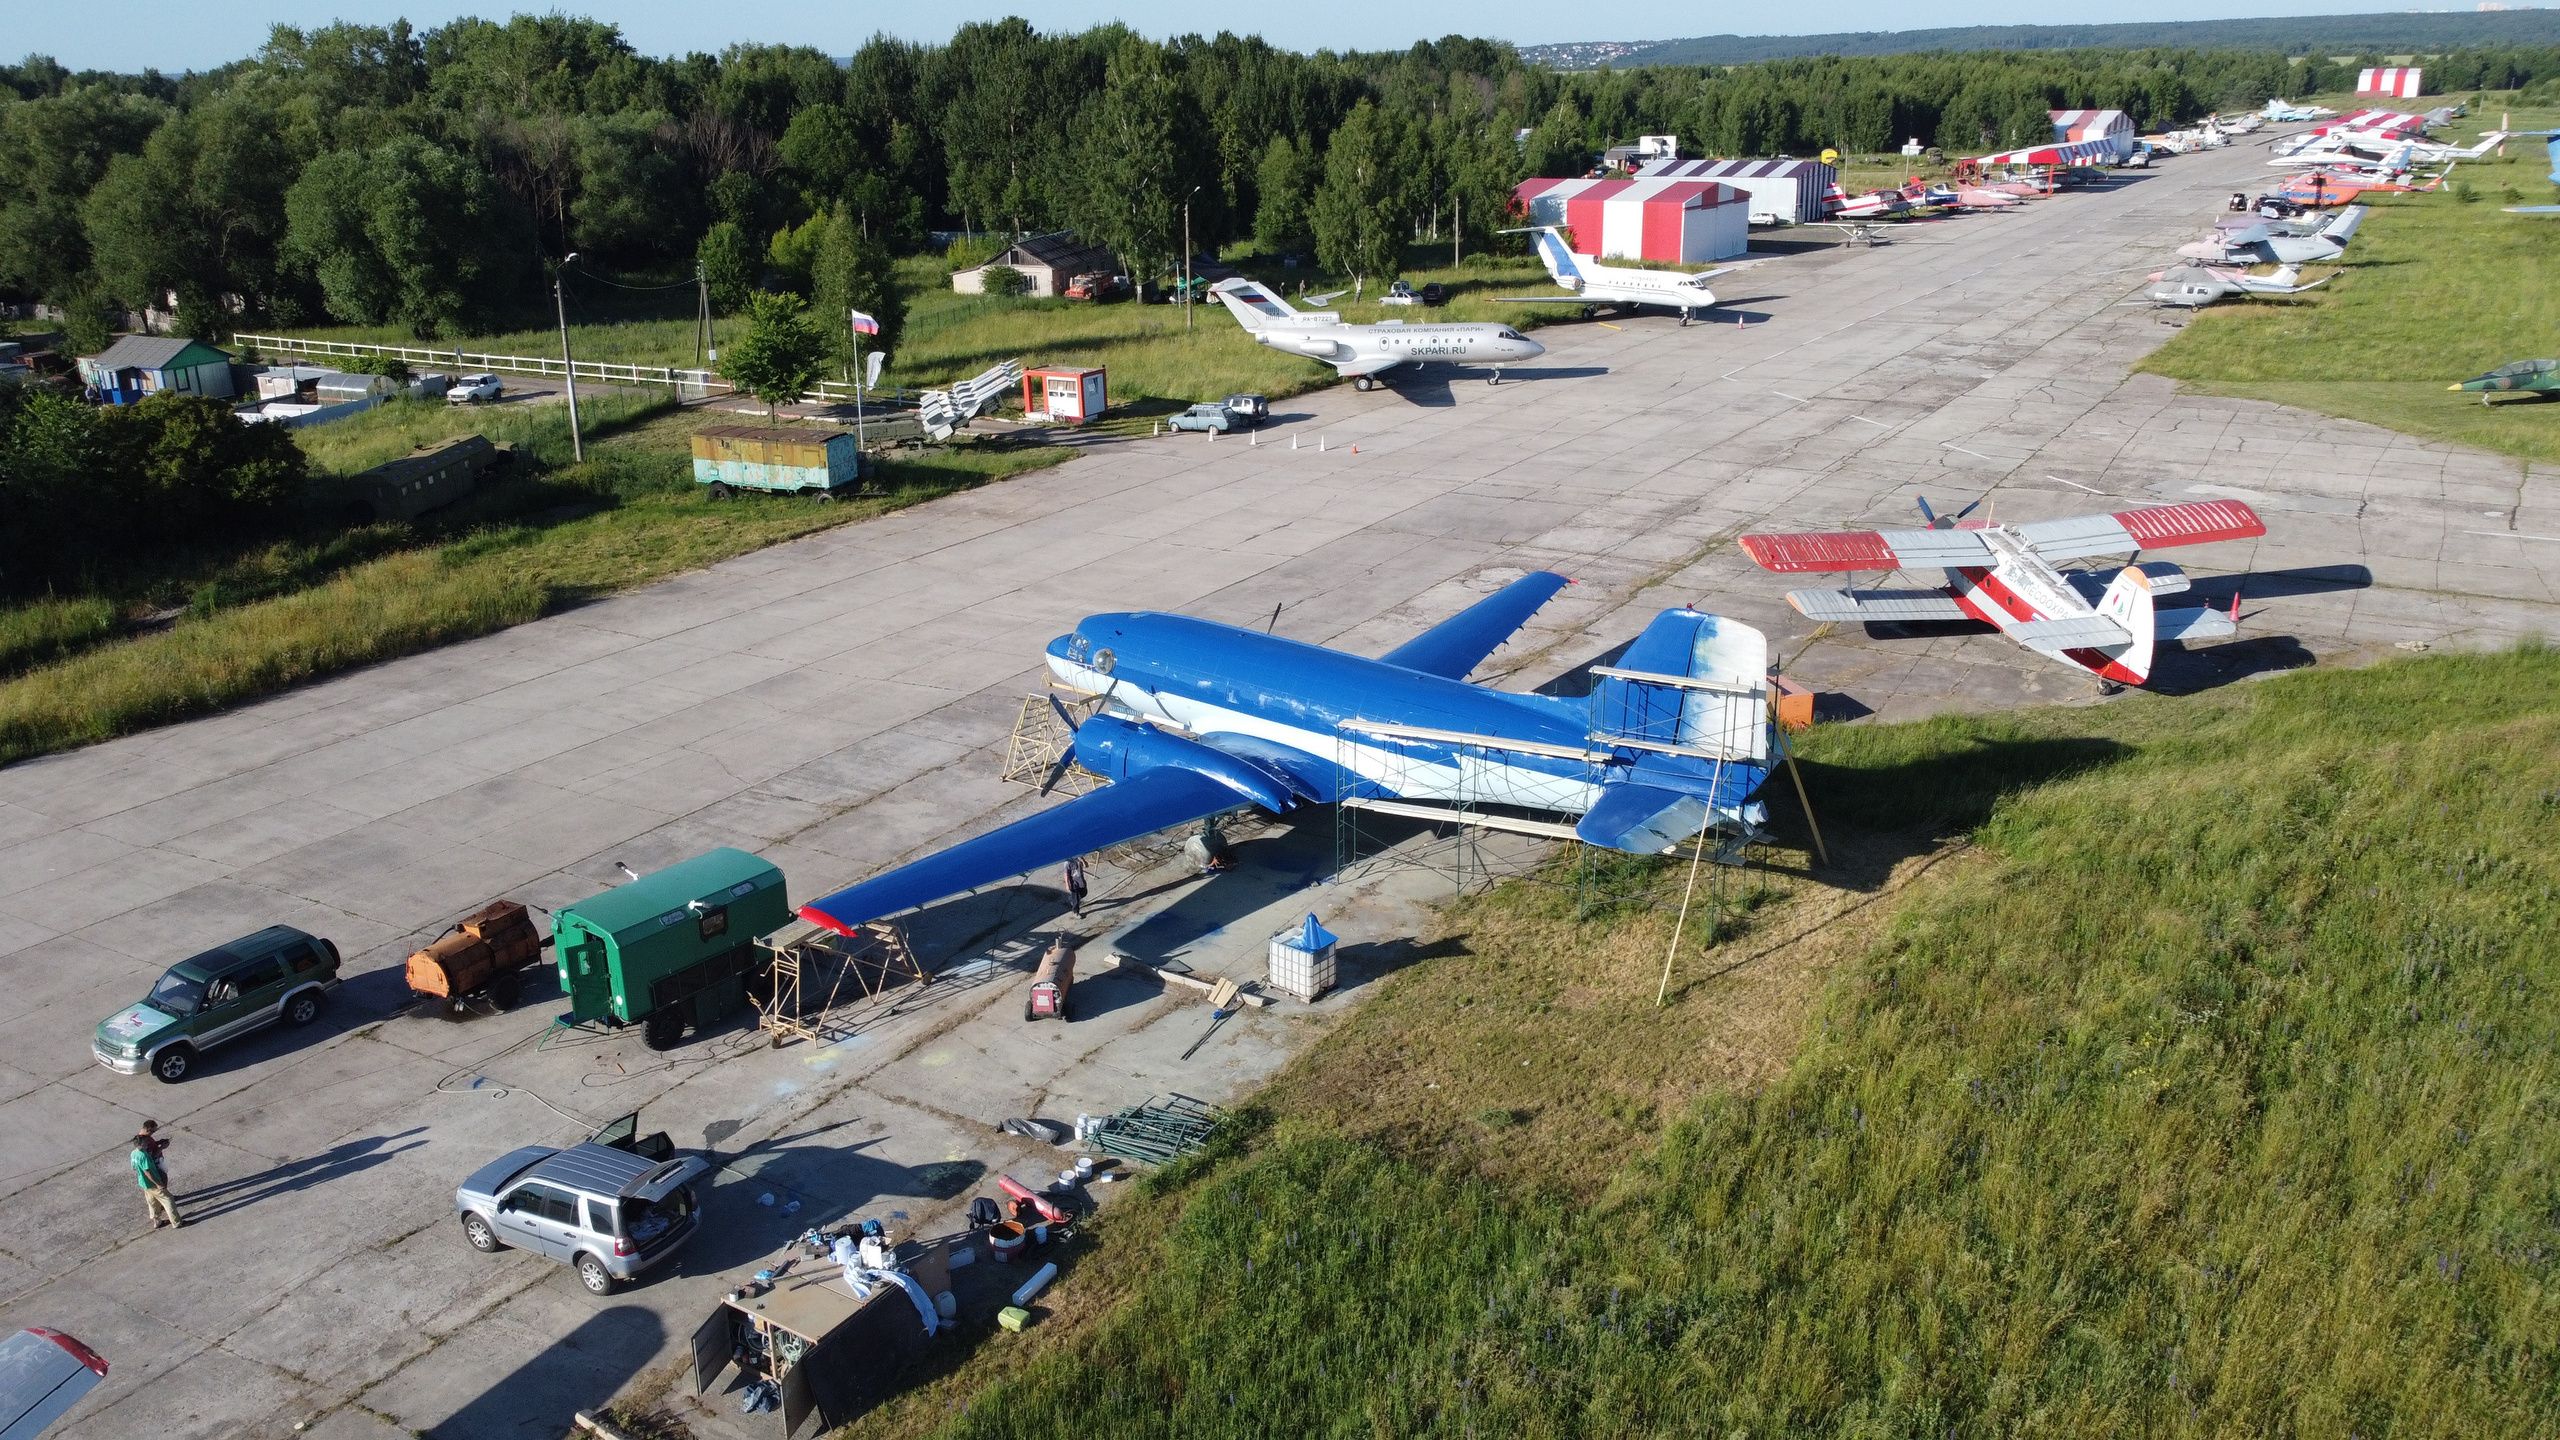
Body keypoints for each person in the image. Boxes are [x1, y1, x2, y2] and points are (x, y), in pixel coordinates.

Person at [132, 1120, 179, 1229]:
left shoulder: (135, 1152)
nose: (154, 1133)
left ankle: (156, 1220)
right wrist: (159, 1184)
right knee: (168, 1200)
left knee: (151, 1201)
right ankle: (176, 1223)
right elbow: (148, 1167)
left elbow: (135, 1167)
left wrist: (158, 1143)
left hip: (144, 1183)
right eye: (153, 1131)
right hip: (152, 1179)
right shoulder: (143, 1154)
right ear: (148, 1129)